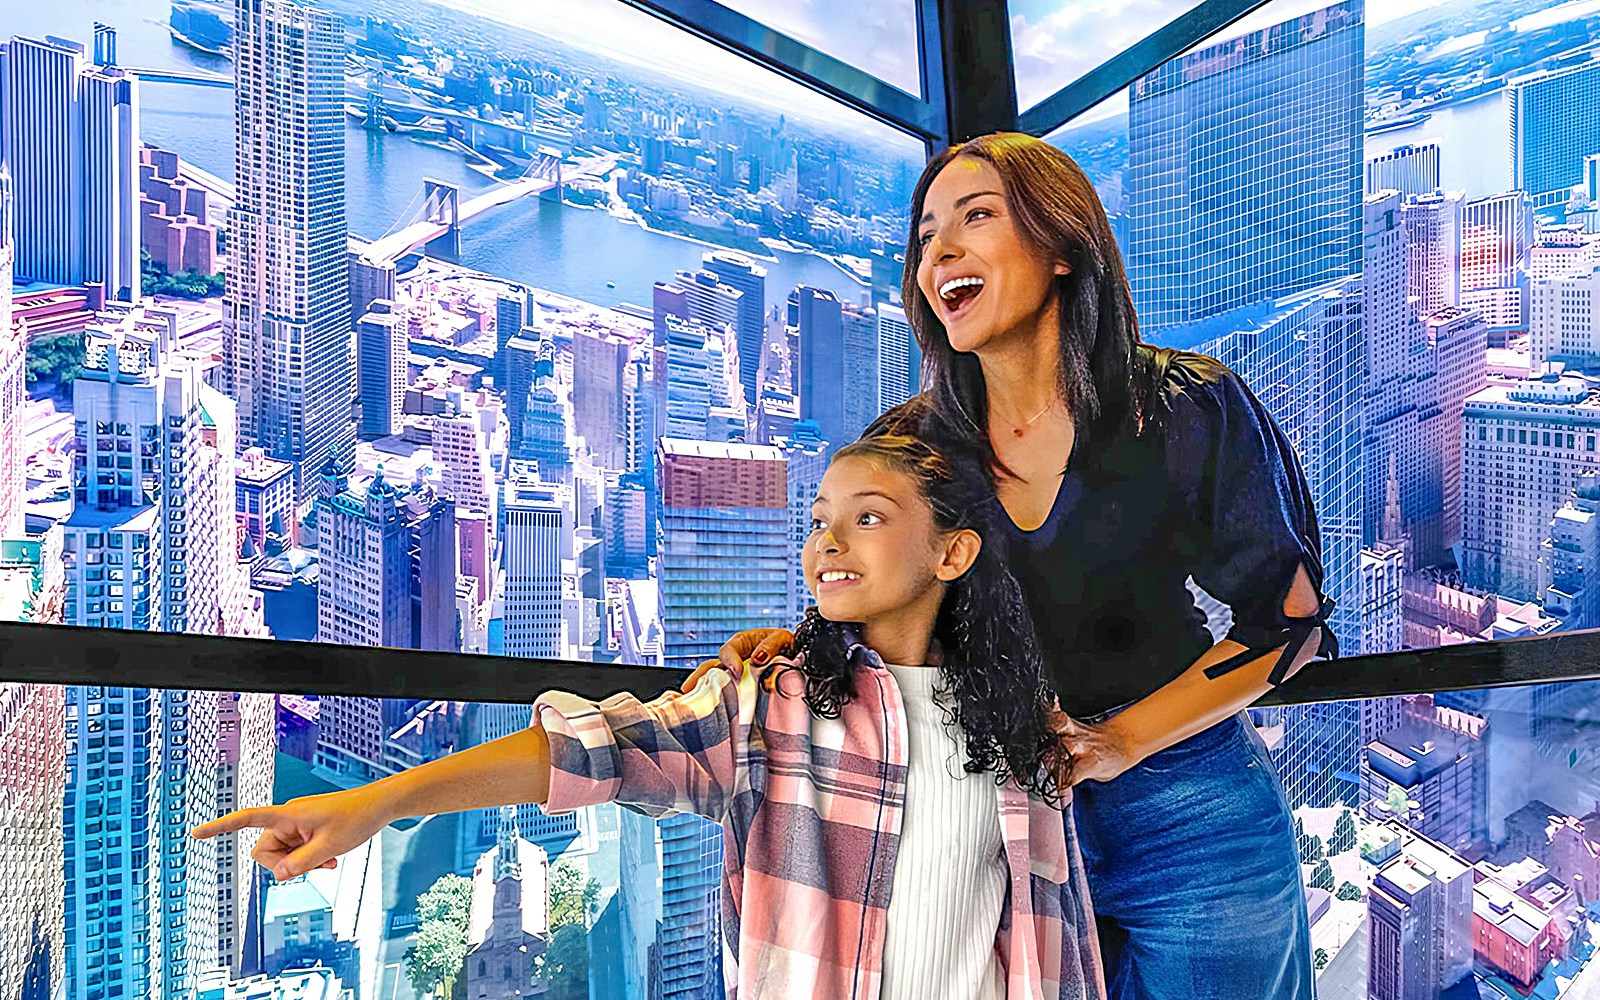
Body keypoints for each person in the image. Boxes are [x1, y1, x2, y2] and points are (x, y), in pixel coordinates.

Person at [693, 132, 1335, 1000]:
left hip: (1194, 815)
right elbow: (876, 604)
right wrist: (788, 651)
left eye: (976, 217)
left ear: (1062, 245)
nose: (939, 253)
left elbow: (1288, 625)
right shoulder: (912, 448)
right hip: (993, 818)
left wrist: (1121, 740)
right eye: (926, 235)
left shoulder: (1186, 407)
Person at [193, 433, 1105, 1000]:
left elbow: (1051, 935)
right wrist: (376, 804)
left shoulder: (1021, 732)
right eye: (818, 517)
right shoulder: (768, 709)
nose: (826, 538)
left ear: (953, 552)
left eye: (867, 518)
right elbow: (588, 753)